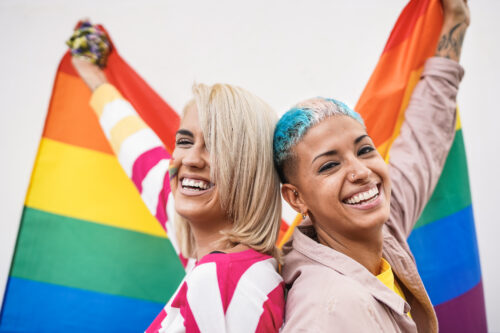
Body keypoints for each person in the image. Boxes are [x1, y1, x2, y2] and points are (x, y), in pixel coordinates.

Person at [273, 0, 469, 331]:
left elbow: (424, 140)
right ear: (296, 198)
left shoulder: (381, 231)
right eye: (329, 166)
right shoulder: (328, 309)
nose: (361, 171)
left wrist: (456, 22)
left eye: (364, 150)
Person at [70, 30, 284, 331]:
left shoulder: (222, 279)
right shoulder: (213, 258)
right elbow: (141, 156)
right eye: (184, 141)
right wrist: (97, 82)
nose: (191, 159)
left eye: (215, 145)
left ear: (252, 169)